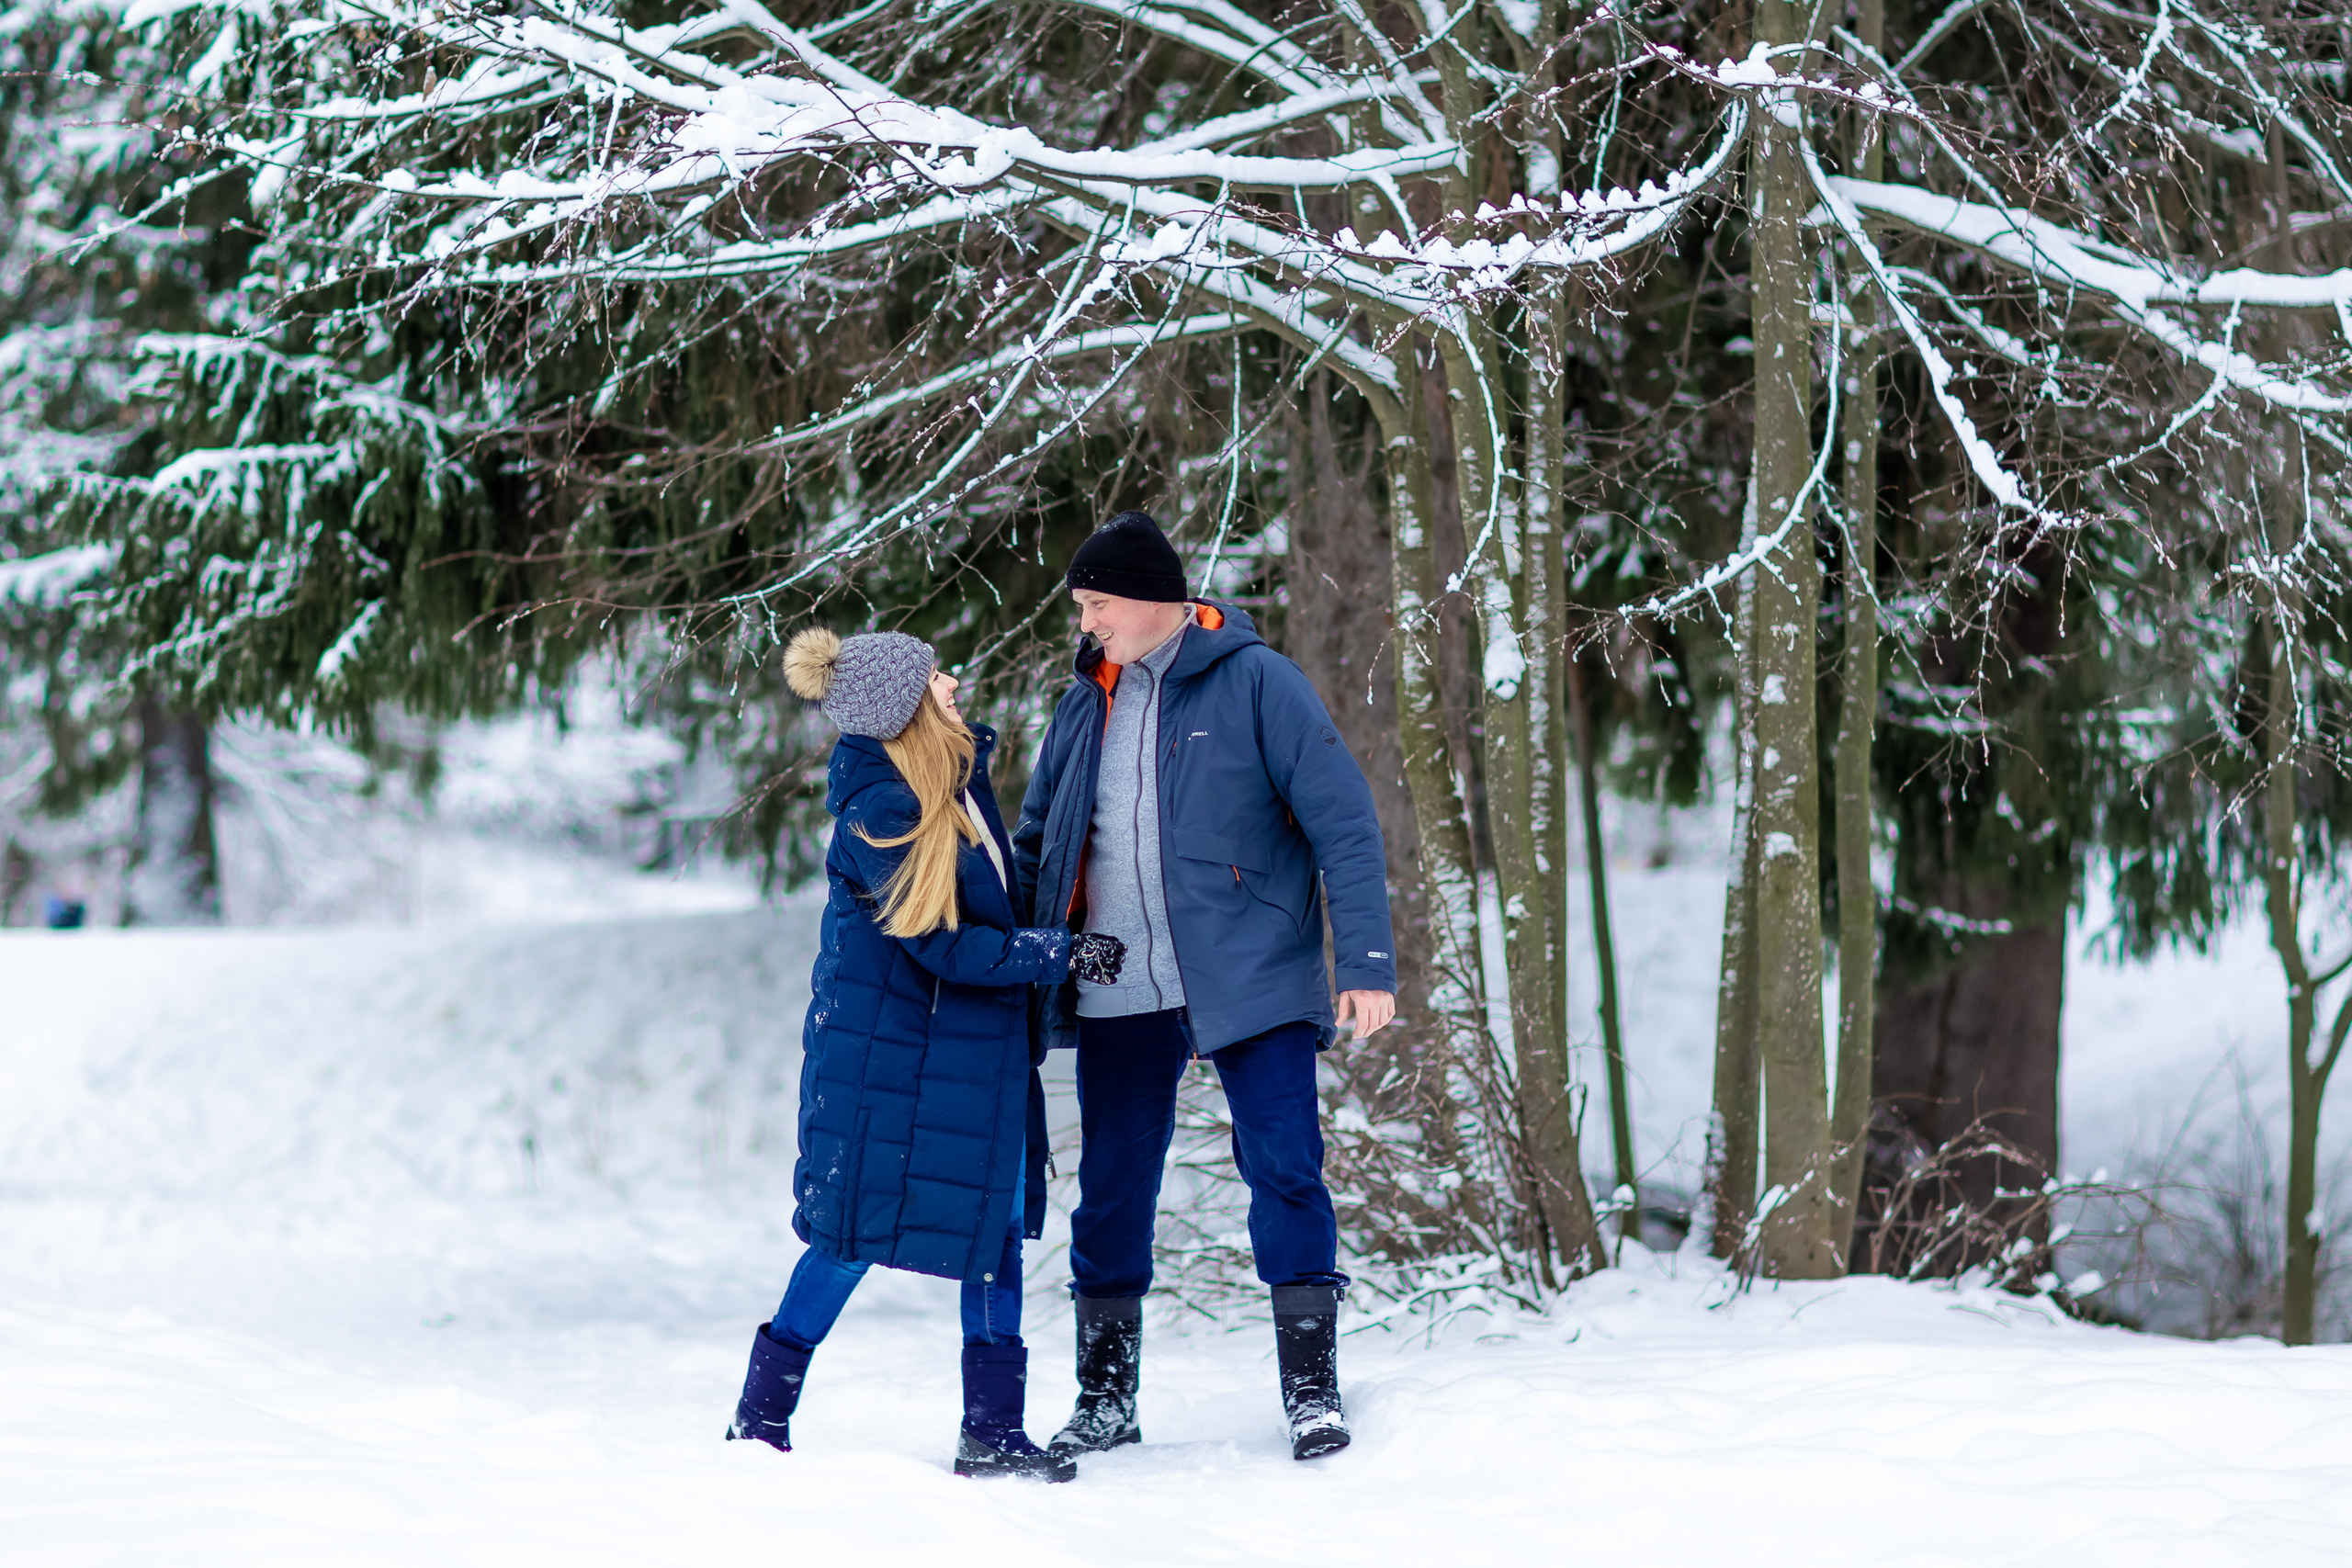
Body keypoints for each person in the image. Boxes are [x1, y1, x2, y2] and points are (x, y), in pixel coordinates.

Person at [1011, 510, 1397, 1463]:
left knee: (1284, 1169)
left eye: (1098, 602)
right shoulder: (1079, 707)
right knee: (1109, 1191)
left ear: (1150, 600)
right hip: (1115, 987)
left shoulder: (1256, 682)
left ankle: (1311, 1390)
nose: (1087, 620)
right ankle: (1105, 1397)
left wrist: (1369, 964)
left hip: (1249, 973)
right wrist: (1016, 957)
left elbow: (1342, 819)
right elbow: (1036, 849)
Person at [726, 626, 1127, 1483]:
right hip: (891, 1071)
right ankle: (759, 1416)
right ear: (903, 708)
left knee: (995, 1236)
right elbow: (945, 945)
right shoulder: (888, 812)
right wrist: (1063, 950)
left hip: (969, 1062)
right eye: (932, 676)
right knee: (849, 1238)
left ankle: (992, 1431)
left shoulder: (950, 785)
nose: (951, 680)